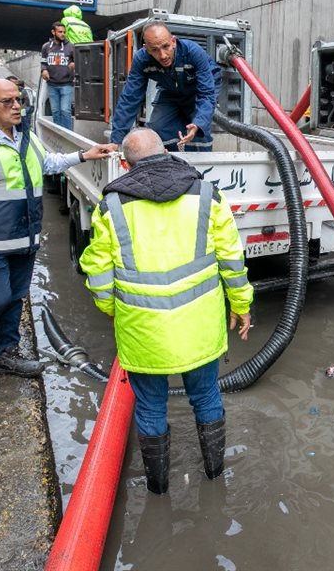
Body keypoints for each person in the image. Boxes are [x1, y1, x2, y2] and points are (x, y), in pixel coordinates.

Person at [80, 127, 252, 492]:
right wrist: (241, 305)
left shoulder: (111, 206)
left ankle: (158, 489)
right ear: (167, 153)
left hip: (143, 332)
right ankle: (215, 476)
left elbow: (98, 272)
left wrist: (111, 309)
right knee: (206, 397)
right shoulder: (206, 194)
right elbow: (232, 259)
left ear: (126, 165)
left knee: (150, 407)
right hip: (199, 329)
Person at [0, 78, 115, 377]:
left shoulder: (25, 136)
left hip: (23, 237)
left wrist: (83, 155)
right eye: (7, 101)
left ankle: (6, 354)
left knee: (15, 298)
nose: (16, 106)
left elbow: (46, 164)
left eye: (19, 100)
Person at [109, 21, 220, 151]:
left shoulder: (193, 52)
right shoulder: (141, 60)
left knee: (199, 130)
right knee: (157, 127)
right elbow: (130, 99)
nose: (163, 55)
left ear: (173, 41)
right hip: (171, 88)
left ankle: (200, 159)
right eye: (154, 50)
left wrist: (198, 124)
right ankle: (167, 159)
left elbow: (206, 94)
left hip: (201, 89)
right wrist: (116, 141)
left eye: (166, 46)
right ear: (146, 48)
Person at [41, 22, 75, 129]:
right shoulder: (46, 47)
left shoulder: (71, 47)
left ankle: (68, 134)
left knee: (65, 110)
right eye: (60, 32)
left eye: (64, 32)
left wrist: (74, 64)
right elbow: (43, 62)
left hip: (66, 84)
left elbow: (78, 61)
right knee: (55, 111)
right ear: (53, 32)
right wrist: (43, 70)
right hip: (52, 84)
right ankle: (59, 133)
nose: (63, 34)